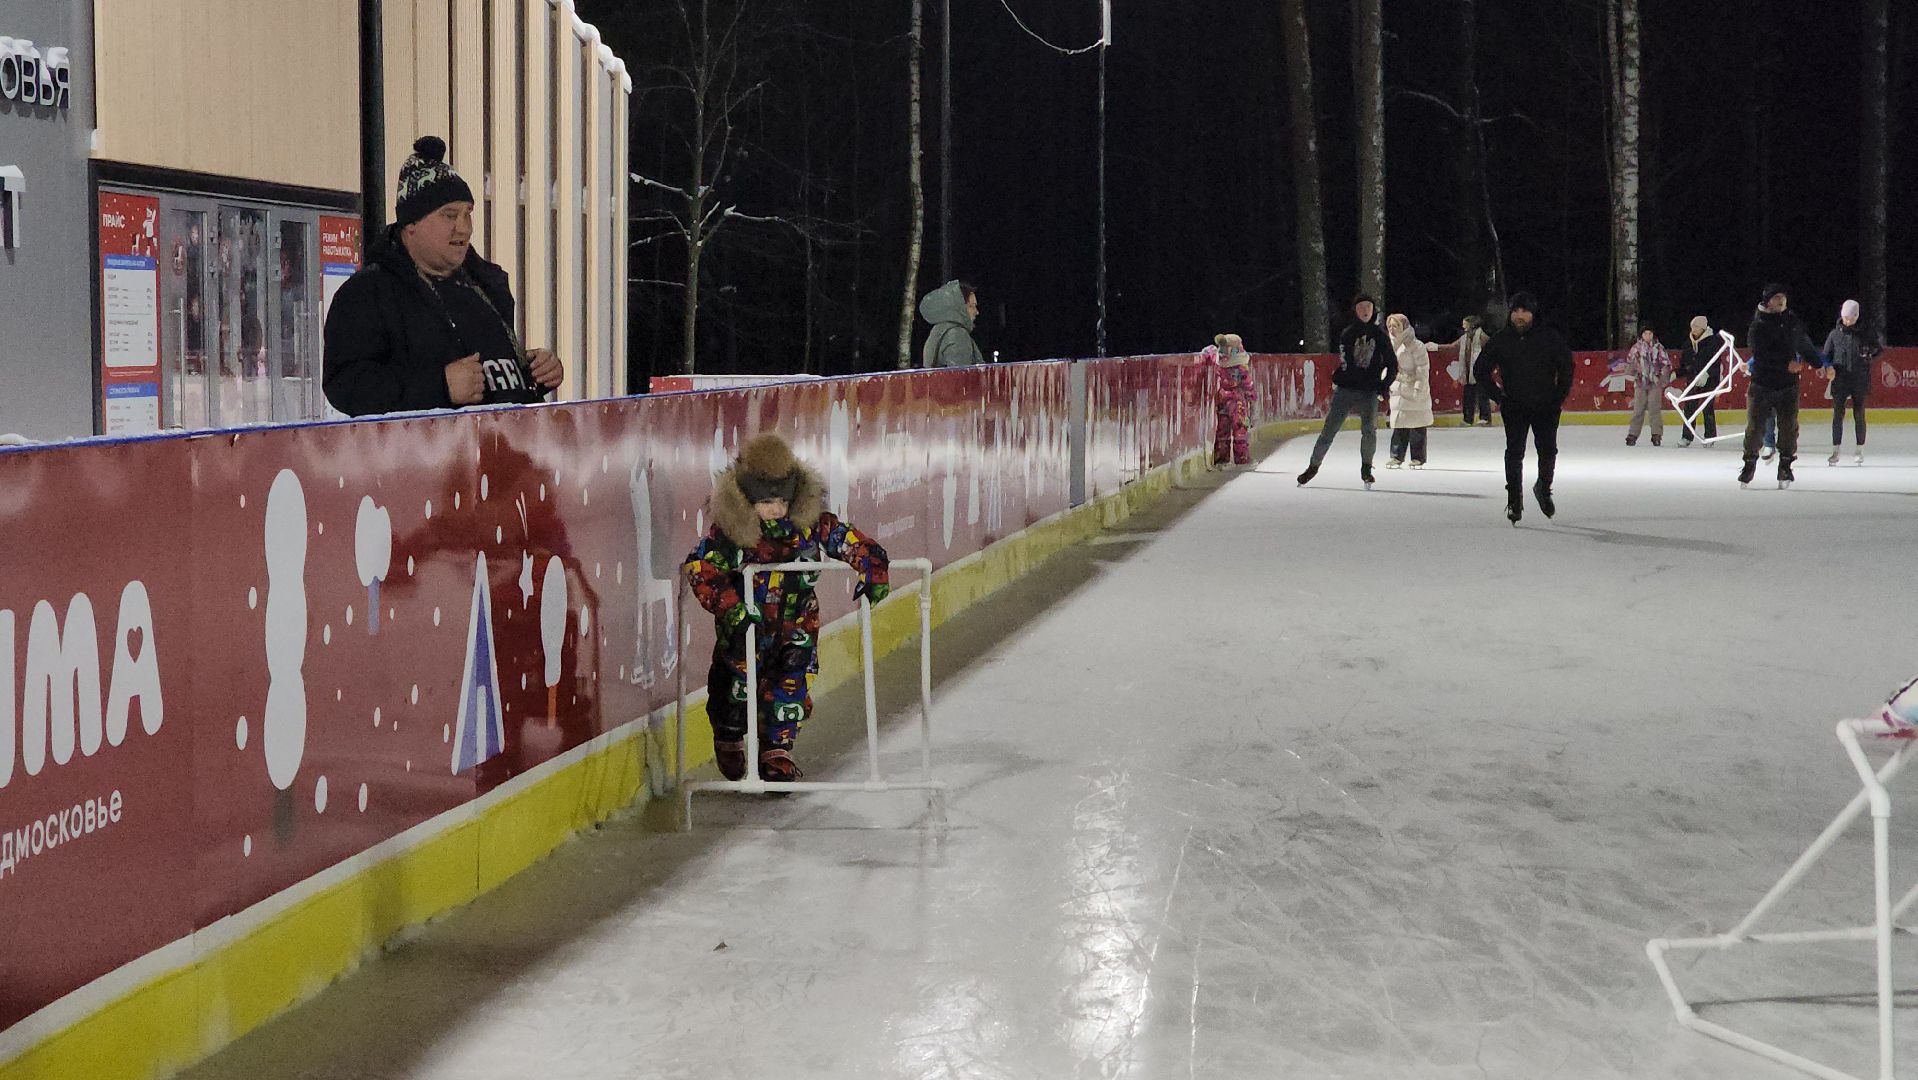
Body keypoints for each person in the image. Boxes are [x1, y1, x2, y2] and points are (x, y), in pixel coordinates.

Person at [683, 433, 890, 783]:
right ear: (747, 498)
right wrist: (731, 607)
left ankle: (777, 750)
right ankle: (729, 735)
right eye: (766, 501)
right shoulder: (732, 534)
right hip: (746, 632)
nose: (776, 509)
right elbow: (702, 569)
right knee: (735, 692)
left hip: (796, 629)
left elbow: (846, 539)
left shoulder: (808, 526)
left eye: (782, 499)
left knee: (789, 690)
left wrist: (872, 568)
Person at [323, 137, 564, 416]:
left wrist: (535, 372)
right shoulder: (367, 294)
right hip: (424, 458)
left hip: (505, 453)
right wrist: (439, 387)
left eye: (467, 214)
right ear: (411, 223)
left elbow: (493, 378)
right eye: (450, 215)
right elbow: (346, 386)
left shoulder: (487, 285)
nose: (464, 229)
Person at [1474, 292, 1573, 523]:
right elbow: (1481, 370)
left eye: (1524, 311)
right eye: (1516, 311)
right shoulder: (1501, 339)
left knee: (1548, 451)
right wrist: (1499, 397)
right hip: (1515, 405)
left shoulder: (1549, 337)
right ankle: (1514, 502)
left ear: (1533, 313)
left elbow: (1567, 366)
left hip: (1546, 405)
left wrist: (1558, 397)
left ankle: (1544, 488)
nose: (1519, 316)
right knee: (1514, 453)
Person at [1297, 294, 1397, 488]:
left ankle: (1366, 467)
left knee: (1369, 431)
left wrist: (1383, 385)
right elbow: (1346, 363)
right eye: (1361, 307)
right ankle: (1313, 466)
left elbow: (1392, 364)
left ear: (1373, 310)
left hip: (1369, 391)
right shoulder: (1348, 333)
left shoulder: (1380, 335)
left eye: (1368, 306)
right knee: (1330, 429)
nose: (1365, 311)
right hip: (1346, 389)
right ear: (1355, 310)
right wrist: (1348, 379)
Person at [1740, 283, 1822, 488]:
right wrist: (1785, 364)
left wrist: (1820, 364)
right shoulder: (1758, 325)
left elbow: (1803, 343)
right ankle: (1749, 463)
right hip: (1762, 384)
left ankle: (1785, 466)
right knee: (1755, 428)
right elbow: (1760, 355)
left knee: (1789, 427)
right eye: (1776, 297)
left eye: (1783, 297)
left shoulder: (1791, 321)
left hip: (1788, 386)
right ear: (1767, 302)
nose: (1781, 300)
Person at [1822, 299, 1880, 466]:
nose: (1848, 321)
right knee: (1837, 414)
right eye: (1846, 317)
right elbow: (1825, 355)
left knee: (1859, 413)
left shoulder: (1866, 333)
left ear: (1857, 316)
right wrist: (1828, 367)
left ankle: (1859, 448)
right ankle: (1835, 450)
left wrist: (1869, 356)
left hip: (1859, 379)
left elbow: (1878, 349)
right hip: (1840, 379)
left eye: (1852, 318)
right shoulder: (1834, 334)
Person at [1197, 333, 1254, 467]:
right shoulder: (1241, 367)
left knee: (1223, 429)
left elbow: (1210, 352)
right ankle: (1242, 459)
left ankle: (1222, 459)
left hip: (1222, 397)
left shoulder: (1219, 362)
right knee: (1240, 429)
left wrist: (1209, 350)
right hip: (1237, 400)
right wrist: (1252, 395)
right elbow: (1247, 383)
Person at [1385, 313, 1434, 468]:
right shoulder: (1389, 344)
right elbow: (1385, 365)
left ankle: (1418, 457)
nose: (1392, 329)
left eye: (1396, 326)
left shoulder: (1415, 345)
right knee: (1399, 423)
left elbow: (1422, 368)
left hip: (1413, 388)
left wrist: (1419, 387)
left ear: (1404, 326)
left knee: (1417, 424)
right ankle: (1396, 456)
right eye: (1390, 326)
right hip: (1397, 388)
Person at [1623, 326, 1672, 446]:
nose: (1648, 336)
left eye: (1650, 333)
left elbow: (1666, 364)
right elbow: (1630, 363)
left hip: (1655, 384)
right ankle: (1632, 434)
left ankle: (1656, 434)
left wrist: (1663, 378)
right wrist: (1631, 373)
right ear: (1641, 335)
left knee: (1654, 409)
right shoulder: (1636, 348)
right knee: (1638, 409)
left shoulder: (1659, 348)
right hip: (1640, 384)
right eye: (1645, 333)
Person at [1675, 315, 1720, 445]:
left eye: (1697, 327)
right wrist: (1676, 374)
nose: (1694, 329)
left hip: (1709, 380)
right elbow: (1685, 364)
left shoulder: (1713, 342)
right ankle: (1687, 437)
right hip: (1693, 380)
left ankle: (1710, 437)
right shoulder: (1688, 343)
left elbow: (1716, 363)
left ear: (1703, 328)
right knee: (1689, 408)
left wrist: (1707, 374)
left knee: (1707, 408)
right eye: (1692, 326)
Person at [919, 280, 985, 368]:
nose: (976, 312)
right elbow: (960, 377)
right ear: (960, 308)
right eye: (971, 306)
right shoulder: (958, 334)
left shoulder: (939, 330)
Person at [1448, 315, 1493, 425]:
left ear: (1472, 324)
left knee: (1483, 395)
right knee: (1468, 396)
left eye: (1465, 324)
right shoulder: (1464, 338)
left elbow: (1492, 349)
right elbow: (1453, 347)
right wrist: (1436, 347)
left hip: (1480, 371)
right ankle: (1468, 419)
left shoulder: (1482, 336)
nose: (1463, 326)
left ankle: (1485, 417)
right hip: (1468, 372)